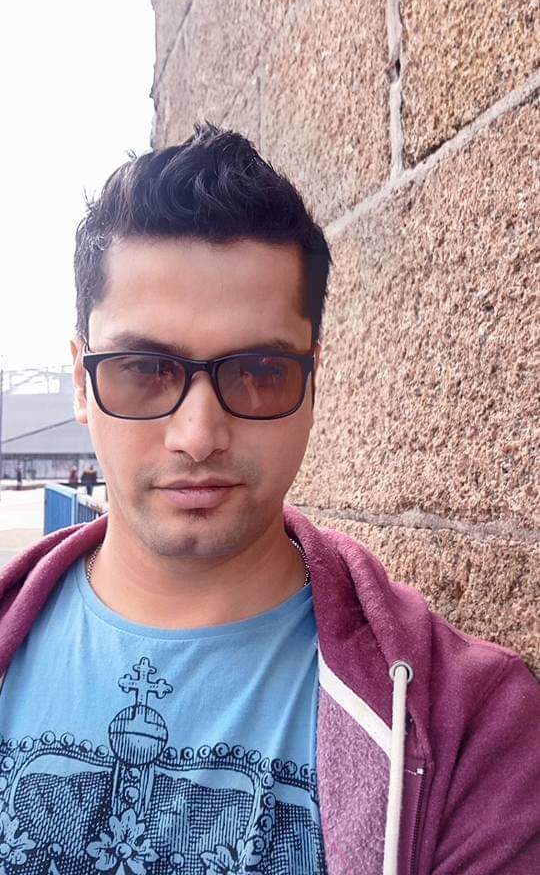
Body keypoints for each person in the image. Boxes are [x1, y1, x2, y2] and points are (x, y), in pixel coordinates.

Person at [0, 125, 538, 875]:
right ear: (82, 383)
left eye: (259, 372)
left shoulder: (471, 726)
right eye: (144, 369)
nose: (197, 436)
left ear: (312, 380)